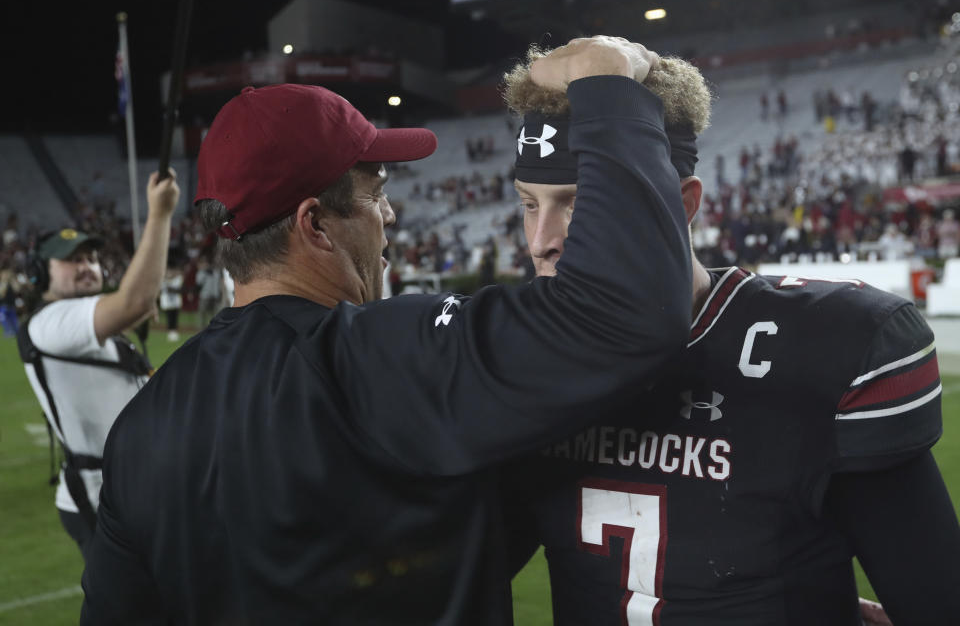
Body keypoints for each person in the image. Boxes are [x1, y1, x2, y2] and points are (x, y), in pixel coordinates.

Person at [79, 37, 695, 625]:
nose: (391, 215)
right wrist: (608, 85)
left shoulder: (139, 429)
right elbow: (623, 309)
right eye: (376, 195)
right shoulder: (385, 356)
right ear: (316, 226)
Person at [500, 46, 960, 625]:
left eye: (576, 204)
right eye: (528, 204)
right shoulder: (520, 357)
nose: (541, 239)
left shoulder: (823, 348)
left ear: (681, 205)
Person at [16, 171, 180, 557]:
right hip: (103, 500)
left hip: (132, 490)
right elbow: (134, 302)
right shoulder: (50, 321)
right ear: (40, 275)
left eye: (91, 257)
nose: (87, 265)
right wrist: (160, 214)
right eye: (72, 261)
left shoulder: (82, 322)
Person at [158, 264, 184, 341]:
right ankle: (170, 332)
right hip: (167, 303)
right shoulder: (163, 280)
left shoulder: (178, 279)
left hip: (175, 302)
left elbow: (177, 288)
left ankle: (175, 332)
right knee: (169, 317)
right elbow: (161, 289)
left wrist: (168, 284)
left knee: (175, 317)